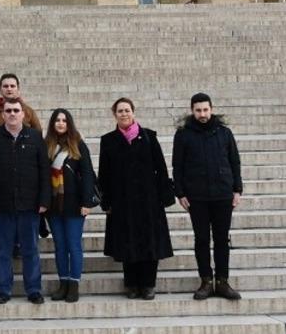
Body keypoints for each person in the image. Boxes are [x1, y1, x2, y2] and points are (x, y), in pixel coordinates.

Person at [98, 97, 174, 300]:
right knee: (126, 242)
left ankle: (148, 284)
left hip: (149, 201)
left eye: (127, 110)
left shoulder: (148, 137)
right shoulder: (108, 140)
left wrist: (165, 195)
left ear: (133, 112)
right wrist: (105, 200)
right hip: (122, 202)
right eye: (120, 111)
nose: (124, 114)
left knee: (150, 243)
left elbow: (161, 167)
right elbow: (104, 174)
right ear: (115, 115)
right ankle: (131, 284)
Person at [173, 92, 243, 301]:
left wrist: (237, 189)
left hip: (223, 194)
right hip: (197, 197)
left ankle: (222, 281)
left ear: (211, 109)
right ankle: (205, 281)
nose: (202, 114)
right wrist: (180, 193)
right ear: (192, 111)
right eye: (198, 110)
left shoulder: (224, 133)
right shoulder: (183, 134)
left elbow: (234, 161)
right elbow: (178, 166)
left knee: (222, 239)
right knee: (202, 239)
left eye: (205, 110)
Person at [0, 98, 50, 305]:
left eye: (16, 110)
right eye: (8, 110)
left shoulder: (36, 138)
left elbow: (44, 171)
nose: (12, 113)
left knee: (30, 249)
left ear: (23, 114)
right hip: (2, 206)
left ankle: (34, 289)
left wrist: (44, 199)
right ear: (2, 115)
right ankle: (3, 289)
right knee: (3, 250)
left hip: (30, 205)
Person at [44, 108, 98, 303]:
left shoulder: (78, 145)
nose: (60, 123)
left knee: (73, 245)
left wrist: (87, 202)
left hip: (75, 205)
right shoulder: (46, 146)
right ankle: (63, 283)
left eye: (64, 120)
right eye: (57, 120)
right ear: (52, 124)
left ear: (69, 124)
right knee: (60, 246)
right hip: (53, 205)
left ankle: (74, 284)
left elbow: (88, 175)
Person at [0, 72, 41, 153]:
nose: (9, 89)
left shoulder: (28, 111)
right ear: (0, 89)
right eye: (5, 86)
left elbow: (38, 135)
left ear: (18, 88)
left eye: (12, 86)